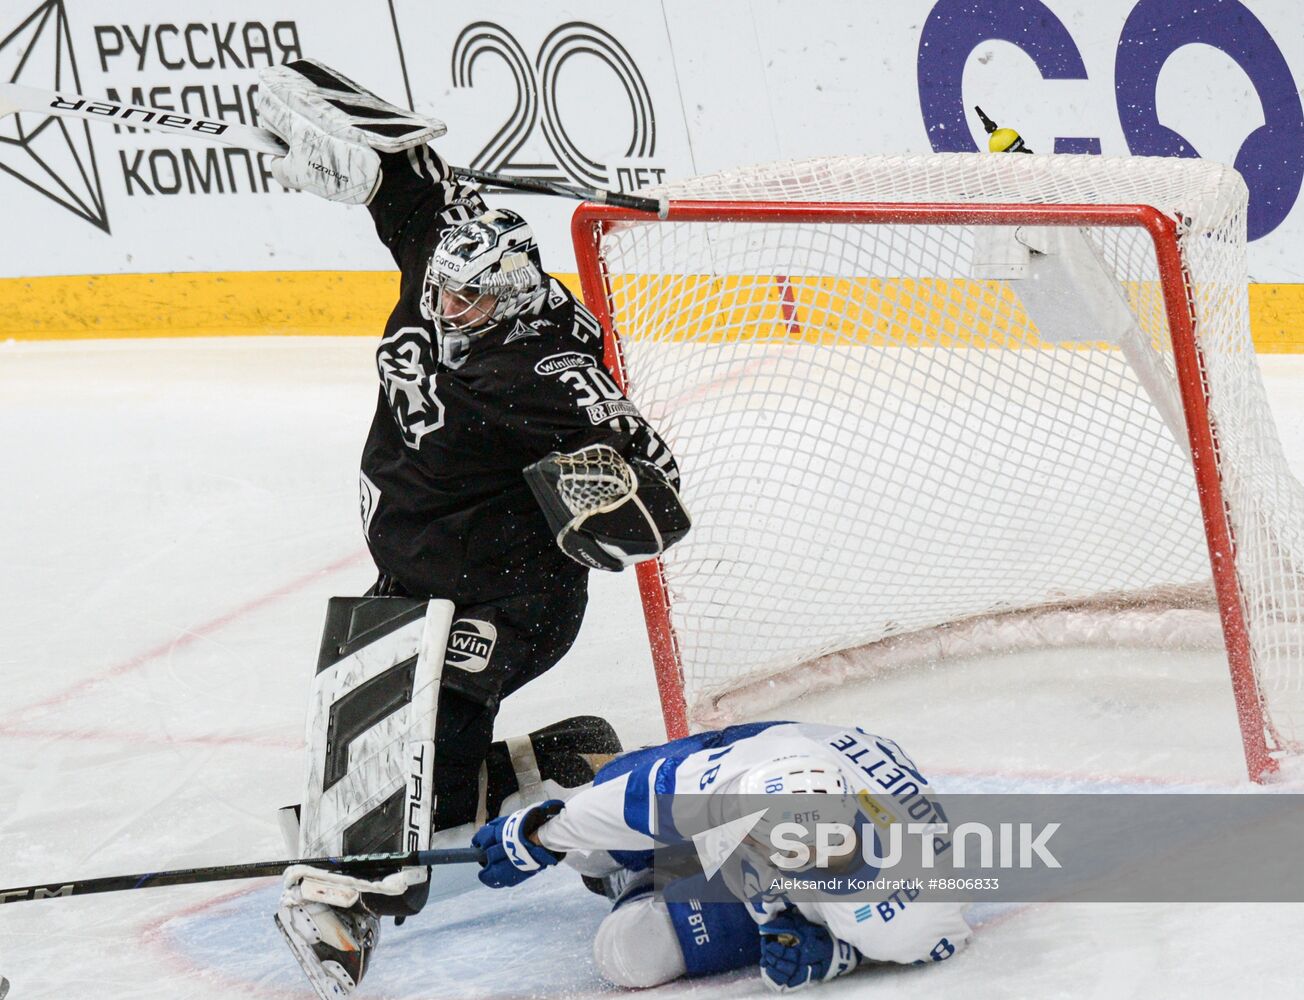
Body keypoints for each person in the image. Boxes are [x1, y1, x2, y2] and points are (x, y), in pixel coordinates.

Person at [253, 59, 689, 999]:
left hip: (511, 595)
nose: (448, 316)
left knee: (383, 711)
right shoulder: (450, 260)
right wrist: (366, 147)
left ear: (517, 292)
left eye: (469, 305)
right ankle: (555, 762)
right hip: (420, 573)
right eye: (441, 298)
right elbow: (410, 186)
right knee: (430, 783)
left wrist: (614, 493)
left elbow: (654, 484)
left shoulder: (545, 367)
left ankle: (345, 896)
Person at [473, 721, 973, 992]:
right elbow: (636, 797)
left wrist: (841, 955)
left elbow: (941, 937)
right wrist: (537, 836)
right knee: (593, 837)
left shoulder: (909, 909)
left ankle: (649, 872)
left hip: (827, 863)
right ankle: (631, 858)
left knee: (627, 952)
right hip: (774, 743)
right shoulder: (740, 779)